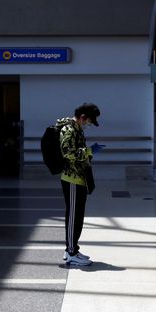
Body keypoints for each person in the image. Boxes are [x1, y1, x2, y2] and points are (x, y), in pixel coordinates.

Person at [57, 102, 103, 266]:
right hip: (72, 179)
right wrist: (90, 151)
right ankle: (70, 252)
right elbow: (67, 152)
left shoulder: (77, 129)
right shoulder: (69, 129)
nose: (89, 125)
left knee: (78, 216)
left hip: (79, 178)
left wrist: (89, 153)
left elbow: (78, 153)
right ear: (83, 117)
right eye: (89, 121)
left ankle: (73, 248)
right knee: (73, 216)